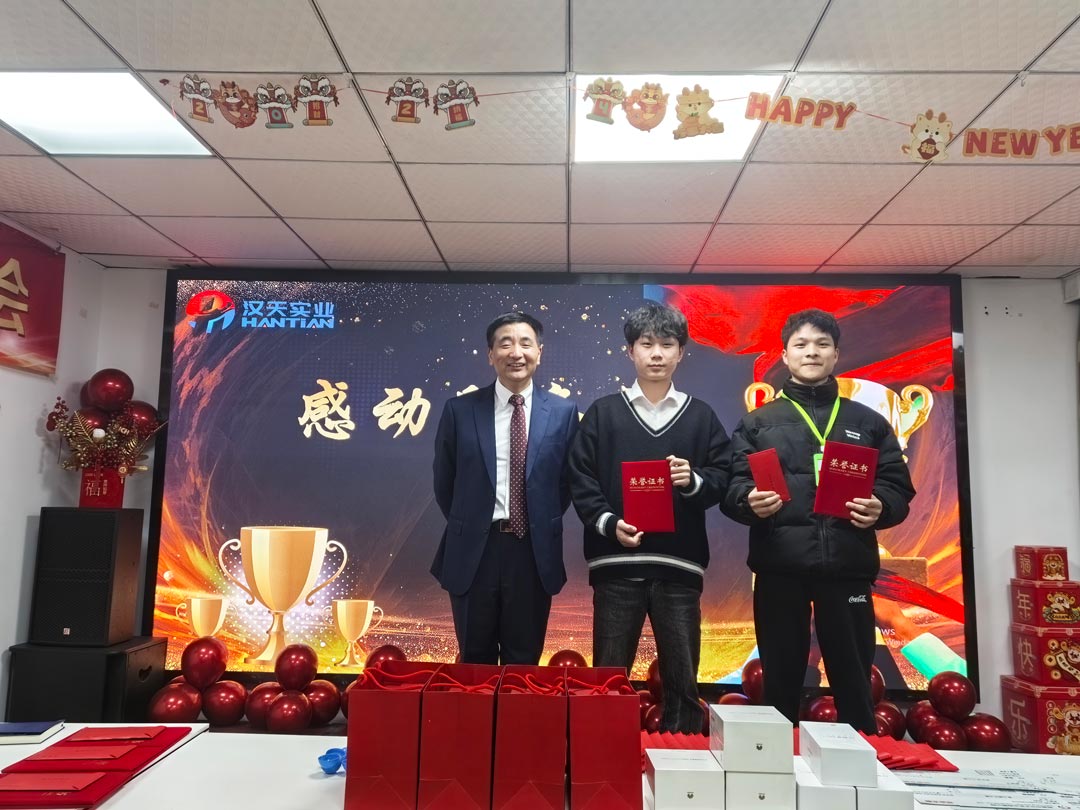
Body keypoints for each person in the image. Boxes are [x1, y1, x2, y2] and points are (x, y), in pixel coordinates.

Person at [722, 308, 916, 733]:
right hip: (779, 569)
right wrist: (747, 501)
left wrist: (882, 506)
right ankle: (778, 768)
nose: (812, 352)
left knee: (854, 683)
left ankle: (859, 763)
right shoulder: (758, 423)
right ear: (785, 356)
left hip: (847, 570)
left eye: (822, 344)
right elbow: (732, 487)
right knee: (780, 684)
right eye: (801, 344)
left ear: (836, 355)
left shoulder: (867, 422)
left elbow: (897, 487)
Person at [568, 302, 730, 733]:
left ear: (681, 353)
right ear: (631, 351)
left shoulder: (701, 416)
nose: (656, 353)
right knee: (608, 679)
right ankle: (601, 758)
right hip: (616, 564)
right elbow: (580, 476)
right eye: (646, 344)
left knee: (683, 682)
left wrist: (693, 479)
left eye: (667, 344)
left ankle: (684, 760)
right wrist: (608, 523)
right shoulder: (603, 412)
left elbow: (724, 477)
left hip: (679, 567)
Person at [431, 312, 579, 665]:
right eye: (505, 344)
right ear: (490, 354)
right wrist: (473, 521)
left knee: (523, 662)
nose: (516, 353)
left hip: (532, 551)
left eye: (525, 343)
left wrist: (534, 520)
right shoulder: (460, 411)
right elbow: (445, 482)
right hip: (474, 550)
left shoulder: (563, 412)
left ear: (539, 352)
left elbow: (565, 485)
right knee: (474, 661)